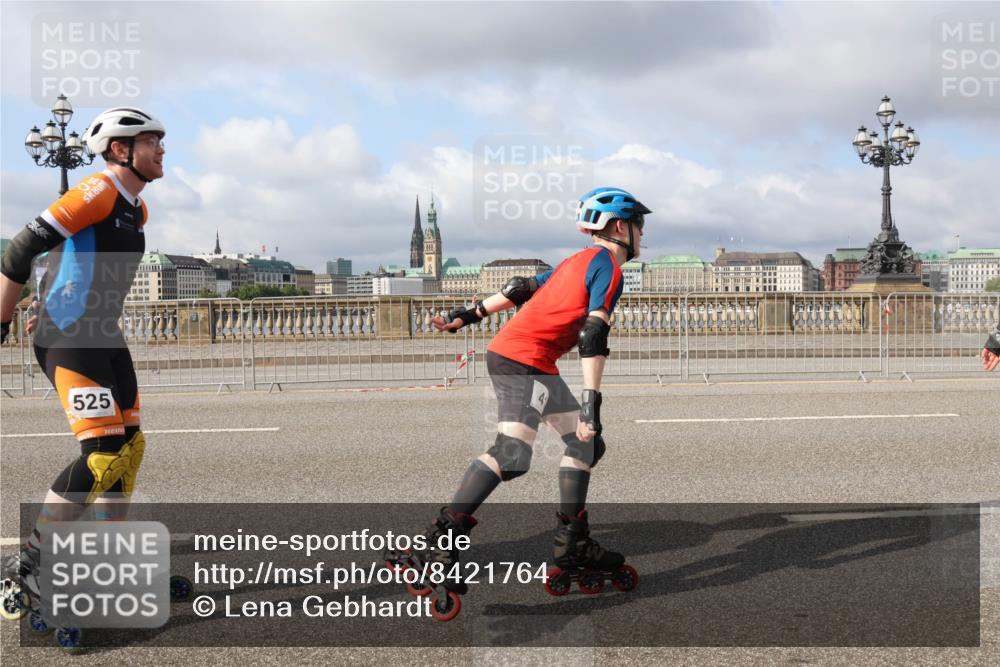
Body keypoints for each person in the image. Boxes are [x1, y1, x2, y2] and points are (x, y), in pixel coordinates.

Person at [385, 187, 647, 620]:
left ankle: (573, 545)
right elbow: (593, 337)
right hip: (520, 360)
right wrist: (590, 407)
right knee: (512, 454)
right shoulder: (607, 269)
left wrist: (467, 315)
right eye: (640, 226)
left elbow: (520, 288)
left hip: (531, 360)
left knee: (585, 448)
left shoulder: (576, 261)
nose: (643, 235)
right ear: (622, 227)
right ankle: (438, 539)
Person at [0, 107, 166, 616]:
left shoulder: (135, 209)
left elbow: (64, 253)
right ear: (121, 149)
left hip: (104, 336)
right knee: (100, 453)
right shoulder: (96, 190)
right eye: (152, 141)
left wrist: (46, 292)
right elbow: (24, 246)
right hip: (69, 336)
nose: (162, 150)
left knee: (128, 448)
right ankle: (29, 565)